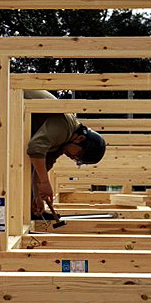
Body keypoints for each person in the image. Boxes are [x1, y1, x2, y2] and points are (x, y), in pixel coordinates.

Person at [24, 89, 106, 217]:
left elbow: (40, 169)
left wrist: (37, 196)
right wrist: (45, 183)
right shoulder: (64, 127)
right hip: (3, 104)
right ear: (80, 139)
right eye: (77, 155)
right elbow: (35, 149)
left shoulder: (62, 145)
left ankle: (30, 211)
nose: (73, 158)